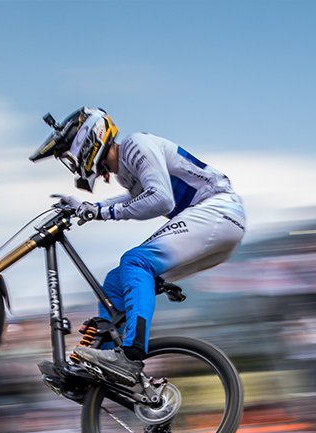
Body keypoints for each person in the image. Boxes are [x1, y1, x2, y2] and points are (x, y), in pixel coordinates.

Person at [30, 107, 246, 383]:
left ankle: (130, 357)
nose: (72, 162)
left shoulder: (135, 145)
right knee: (116, 280)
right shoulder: (127, 172)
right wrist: (88, 207)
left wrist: (100, 212)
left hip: (217, 212)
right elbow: (130, 199)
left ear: (87, 139)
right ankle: (104, 370)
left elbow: (161, 199)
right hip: (217, 230)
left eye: (70, 153)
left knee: (135, 261)